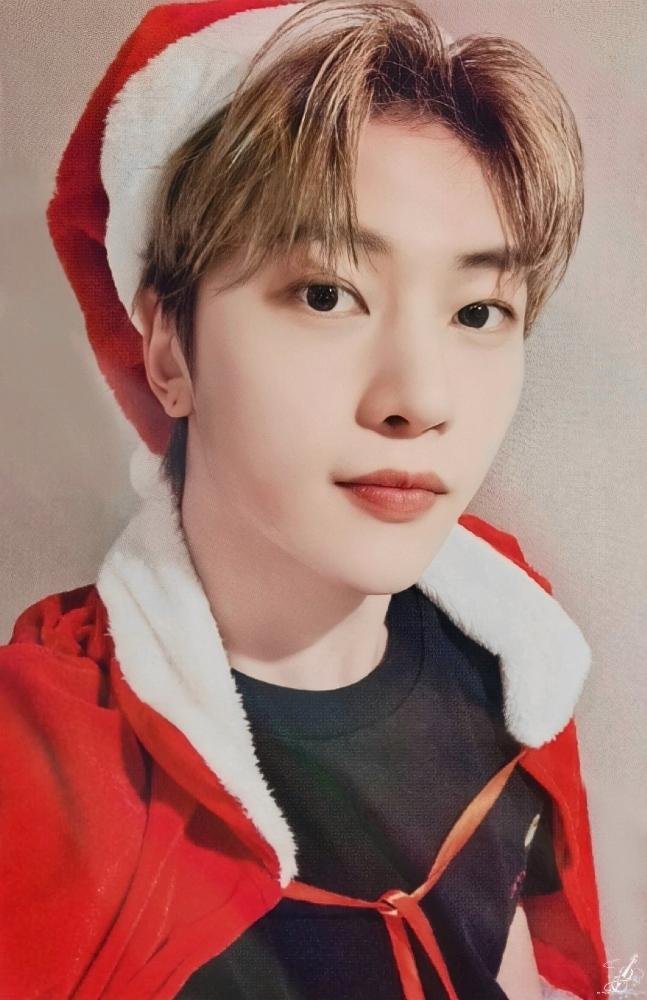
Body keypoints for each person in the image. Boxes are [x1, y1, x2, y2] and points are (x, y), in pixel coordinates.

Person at [0, 0, 608, 997]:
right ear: (168, 351)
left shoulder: (512, 646)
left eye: (476, 311)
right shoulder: (40, 773)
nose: (419, 399)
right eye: (325, 294)